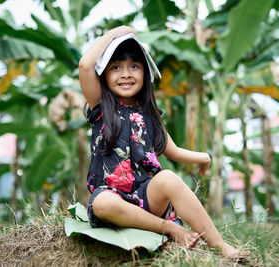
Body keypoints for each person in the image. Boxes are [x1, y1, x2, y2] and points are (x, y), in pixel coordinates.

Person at [78, 25, 251, 260]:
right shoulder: (101, 107)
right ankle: (170, 229)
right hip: (113, 203)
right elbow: (85, 65)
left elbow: (173, 150)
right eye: (116, 67)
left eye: (134, 66)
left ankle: (221, 245)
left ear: (145, 75)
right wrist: (117, 32)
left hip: (147, 198)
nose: (126, 73)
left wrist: (203, 157)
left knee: (168, 177)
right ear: (104, 75)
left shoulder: (149, 117)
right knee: (101, 202)